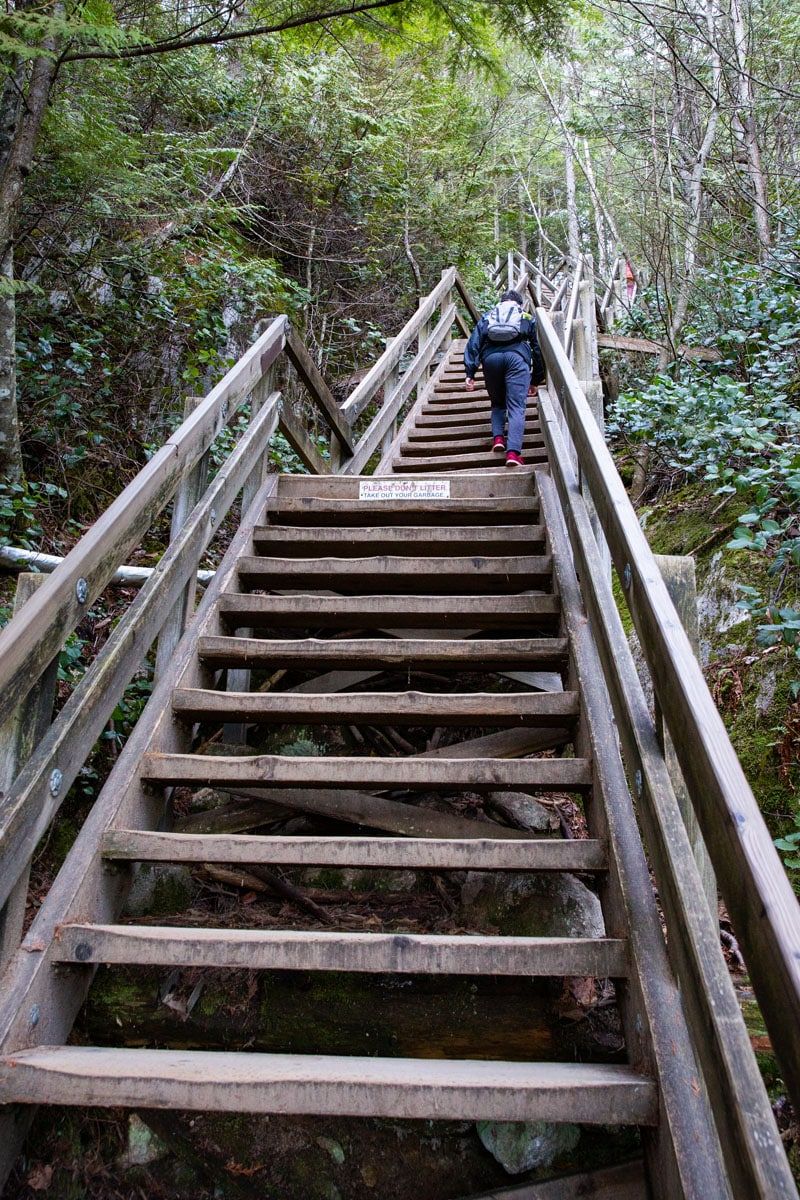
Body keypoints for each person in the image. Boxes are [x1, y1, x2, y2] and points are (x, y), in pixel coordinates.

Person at [463, 289, 545, 467]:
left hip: (491, 360)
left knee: (498, 403)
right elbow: (537, 349)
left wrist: (470, 372)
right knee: (516, 407)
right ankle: (513, 454)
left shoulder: (488, 316)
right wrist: (536, 379)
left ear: (501, 302)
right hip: (516, 359)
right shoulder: (526, 317)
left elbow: (474, 343)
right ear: (519, 304)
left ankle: (498, 439)